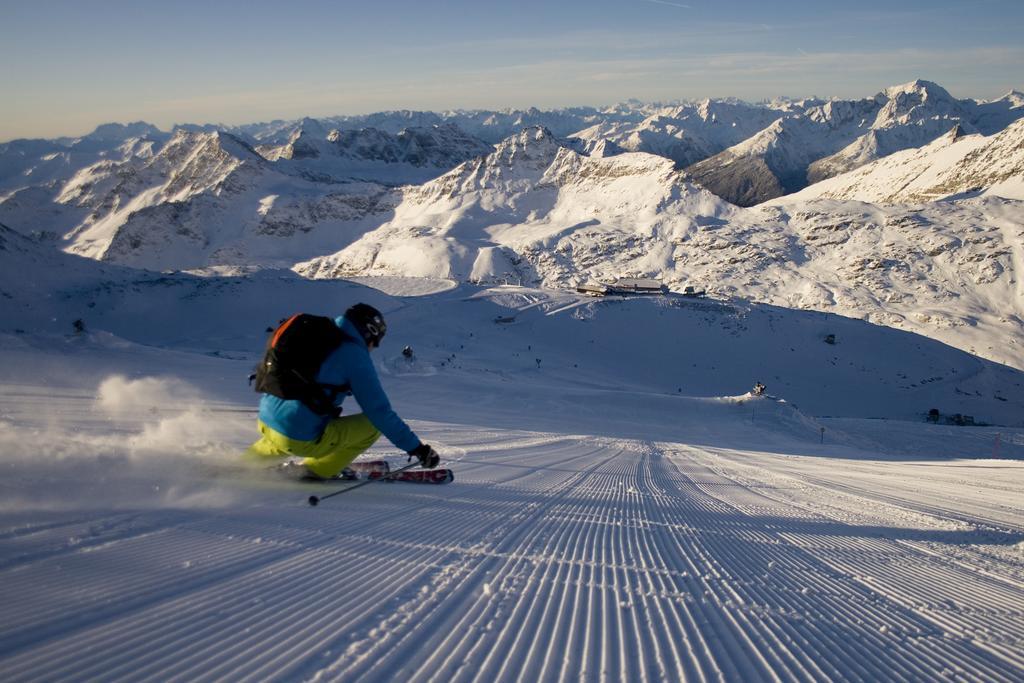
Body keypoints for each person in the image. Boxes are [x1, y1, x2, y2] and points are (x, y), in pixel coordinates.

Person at [247, 303, 440, 480]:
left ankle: (240, 465)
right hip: (296, 436)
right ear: (369, 333)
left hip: (266, 421)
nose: (373, 347)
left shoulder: (318, 336)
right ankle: (315, 471)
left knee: (291, 426)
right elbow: (379, 412)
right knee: (372, 427)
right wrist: (418, 449)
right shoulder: (354, 355)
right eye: (376, 341)